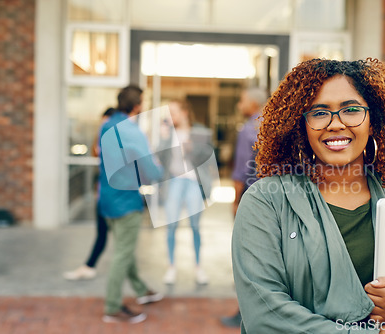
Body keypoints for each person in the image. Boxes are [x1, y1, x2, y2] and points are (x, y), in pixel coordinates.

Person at [232, 59, 385, 333]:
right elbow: (265, 317)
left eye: (351, 110)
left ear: (374, 120)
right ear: (301, 125)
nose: (336, 124)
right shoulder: (266, 202)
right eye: (319, 112)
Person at [99, 85, 164, 324]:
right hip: (125, 200)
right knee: (122, 253)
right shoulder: (133, 131)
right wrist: (158, 165)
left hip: (106, 198)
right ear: (137, 106)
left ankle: (140, 290)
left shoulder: (106, 125)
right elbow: (153, 171)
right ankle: (112, 307)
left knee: (124, 249)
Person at [221, 87, 267, 328]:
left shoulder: (249, 128)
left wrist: (235, 201)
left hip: (253, 200)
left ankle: (245, 313)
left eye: (242, 101)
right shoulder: (274, 125)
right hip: (275, 198)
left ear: (252, 103)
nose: (240, 105)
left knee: (247, 259)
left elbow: (241, 170)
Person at [158, 99, 213, 285]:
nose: (170, 117)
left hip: (193, 183)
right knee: (171, 225)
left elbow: (208, 156)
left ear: (184, 112)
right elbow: (160, 157)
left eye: (173, 112)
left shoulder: (199, 132)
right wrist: (163, 137)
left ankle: (199, 267)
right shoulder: (167, 134)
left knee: (195, 226)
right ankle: (171, 267)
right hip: (174, 181)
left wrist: (192, 148)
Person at [63, 107, 115, 281]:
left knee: (114, 238)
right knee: (105, 234)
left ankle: (89, 266)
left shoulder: (113, 138)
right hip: (104, 194)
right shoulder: (104, 137)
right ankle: (89, 266)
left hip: (111, 197)